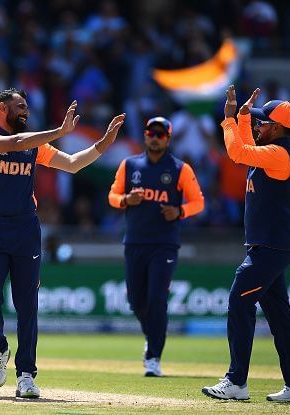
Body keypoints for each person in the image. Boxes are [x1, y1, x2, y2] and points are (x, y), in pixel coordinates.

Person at [0, 87, 125, 399]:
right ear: (2, 108)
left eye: (27, 106)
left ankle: (26, 374)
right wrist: (58, 131)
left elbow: (71, 163)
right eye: (20, 106)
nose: (26, 112)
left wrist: (102, 145)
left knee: (27, 305)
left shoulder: (34, 146)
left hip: (26, 229)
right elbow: (13, 142)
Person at [201, 85, 290, 402]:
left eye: (262, 122)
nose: (257, 125)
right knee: (280, 316)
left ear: (278, 128)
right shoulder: (270, 152)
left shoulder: (279, 156)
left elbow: (237, 152)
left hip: (270, 249)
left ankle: (236, 381)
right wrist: (241, 117)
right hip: (267, 246)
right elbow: (247, 146)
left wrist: (227, 121)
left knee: (240, 301)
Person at [108, 116, 204, 377]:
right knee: (136, 301)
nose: (155, 137)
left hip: (164, 245)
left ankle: (153, 357)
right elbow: (112, 197)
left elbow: (198, 202)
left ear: (168, 138)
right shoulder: (129, 165)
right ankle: (152, 337)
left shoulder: (179, 169)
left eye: (160, 134)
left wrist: (180, 211)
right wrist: (127, 199)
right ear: (145, 135)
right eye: (151, 133)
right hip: (135, 243)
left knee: (157, 300)